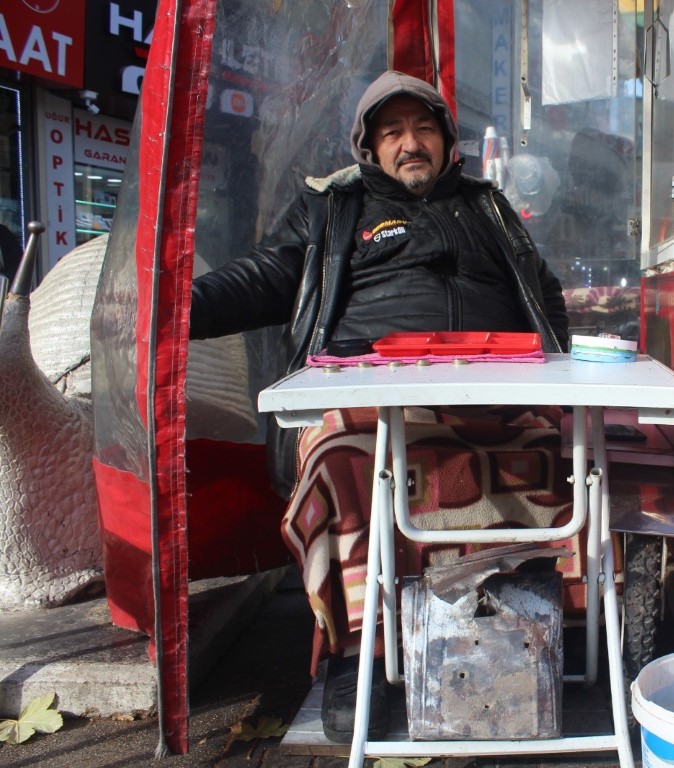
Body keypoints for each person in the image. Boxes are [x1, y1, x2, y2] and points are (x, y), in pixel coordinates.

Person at [190, 70, 570, 743]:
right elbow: (266, 275)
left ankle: (534, 631)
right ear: (369, 148)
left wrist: (565, 369)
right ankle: (352, 654)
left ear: (448, 140)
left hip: (496, 396)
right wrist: (177, 309)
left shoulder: (487, 205)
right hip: (368, 401)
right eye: (392, 131)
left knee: (584, 448)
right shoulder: (332, 207)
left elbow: (541, 289)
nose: (410, 143)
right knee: (339, 458)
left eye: (423, 128)